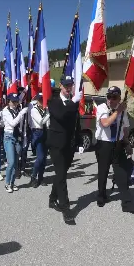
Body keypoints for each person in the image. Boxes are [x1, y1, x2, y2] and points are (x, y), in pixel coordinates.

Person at [46, 75, 82, 223]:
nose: (68, 88)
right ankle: (66, 209)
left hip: (69, 144)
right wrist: (73, 102)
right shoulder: (53, 101)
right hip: (56, 144)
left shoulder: (72, 104)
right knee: (61, 175)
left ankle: (52, 198)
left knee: (61, 174)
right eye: (66, 85)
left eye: (70, 85)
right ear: (60, 86)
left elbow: (76, 123)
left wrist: (79, 142)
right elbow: (61, 115)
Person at [94, 86, 134, 212]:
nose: (111, 100)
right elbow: (105, 123)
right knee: (103, 172)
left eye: (114, 97)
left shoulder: (122, 111)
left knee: (121, 173)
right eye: (109, 97)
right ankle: (101, 196)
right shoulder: (102, 108)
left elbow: (125, 127)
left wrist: (127, 143)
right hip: (104, 145)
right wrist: (118, 111)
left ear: (119, 99)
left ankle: (126, 203)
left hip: (118, 144)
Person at [2, 93, 29, 193]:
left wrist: (23, 135)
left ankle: (12, 183)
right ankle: (7, 183)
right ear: (8, 101)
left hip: (17, 137)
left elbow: (21, 125)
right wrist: (21, 113)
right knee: (11, 162)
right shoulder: (5, 111)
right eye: (13, 101)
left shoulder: (17, 109)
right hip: (9, 137)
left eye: (16, 101)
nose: (15, 103)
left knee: (16, 162)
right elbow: (13, 123)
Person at [29, 93, 50, 188]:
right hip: (37, 133)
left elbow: (48, 123)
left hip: (45, 132)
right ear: (37, 101)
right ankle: (33, 177)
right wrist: (49, 114)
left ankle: (41, 178)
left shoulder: (45, 109)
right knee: (40, 157)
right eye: (41, 100)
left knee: (44, 159)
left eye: (43, 99)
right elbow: (41, 122)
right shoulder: (34, 110)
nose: (42, 101)